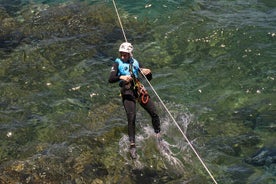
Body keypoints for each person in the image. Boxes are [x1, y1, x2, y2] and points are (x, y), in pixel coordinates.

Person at [108, 42, 161, 159]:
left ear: (130, 54)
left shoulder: (135, 62)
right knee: (131, 117)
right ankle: (132, 145)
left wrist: (148, 72)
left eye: (125, 55)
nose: (123, 57)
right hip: (127, 91)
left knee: (154, 113)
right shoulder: (117, 63)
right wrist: (121, 77)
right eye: (121, 54)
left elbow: (148, 78)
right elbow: (111, 79)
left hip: (138, 90)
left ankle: (158, 136)